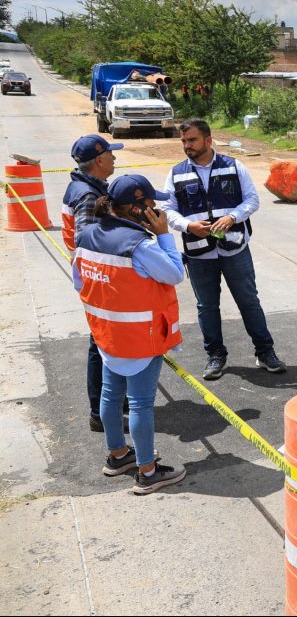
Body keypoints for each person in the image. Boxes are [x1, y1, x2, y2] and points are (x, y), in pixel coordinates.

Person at [74, 174, 187, 494]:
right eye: (152, 205)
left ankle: (118, 455)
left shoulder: (87, 236)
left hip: (106, 333)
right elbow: (175, 273)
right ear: (138, 209)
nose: (156, 210)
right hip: (140, 338)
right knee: (139, 404)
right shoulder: (140, 245)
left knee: (111, 396)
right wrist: (164, 235)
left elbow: (79, 283)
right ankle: (148, 472)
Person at [161, 119, 287, 380]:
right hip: (199, 254)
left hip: (235, 249)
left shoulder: (233, 166)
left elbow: (252, 199)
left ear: (208, 140)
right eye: (184, 141)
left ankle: (265, 352)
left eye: (192, 140)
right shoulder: (176, 173)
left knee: (249, 302)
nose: (187, 146)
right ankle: (215, 355)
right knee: (207, 306)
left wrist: (232, 217)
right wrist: (187, 225)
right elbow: (167, 210)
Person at [61, 135, 124, 432]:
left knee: (106, 340)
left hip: (92, 277)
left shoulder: (85, 187)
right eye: (111, 154)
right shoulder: (87, 195)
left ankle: (112, 399)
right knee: (101, 342)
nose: (114, 159)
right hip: (97, 279)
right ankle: (100, 411)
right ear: (99, 160)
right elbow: (87, 242)